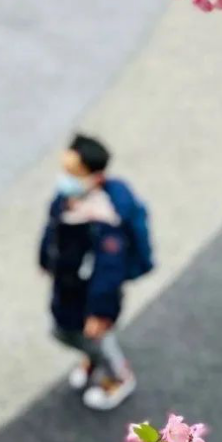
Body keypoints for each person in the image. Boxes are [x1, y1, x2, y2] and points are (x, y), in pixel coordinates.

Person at [39, 133, 153, 410]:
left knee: (93, 336)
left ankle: (118, 376)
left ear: (96, 177)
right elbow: (53, 230)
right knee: (66, 328)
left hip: (92, 294)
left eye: (73, 172)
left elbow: (109, 272)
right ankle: (93, 360)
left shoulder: (105, 220)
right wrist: (45, 259)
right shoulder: (69, 199)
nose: (65, 178)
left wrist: (100, 312)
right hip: (69, 283)